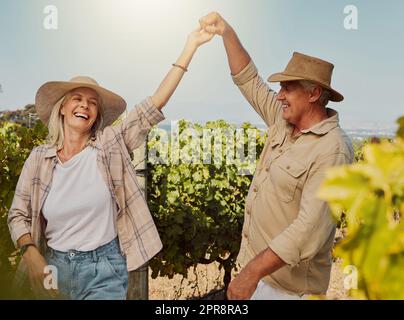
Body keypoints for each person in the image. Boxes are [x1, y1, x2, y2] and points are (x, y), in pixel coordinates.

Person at [7, 27, 214, 300]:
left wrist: (191, 46)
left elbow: (153, 105)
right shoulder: (39, 158)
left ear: (96, 115)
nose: (85, 106)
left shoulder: (109, 144)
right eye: (77, 99)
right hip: (53, 270)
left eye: (92, 103)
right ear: (63, 108)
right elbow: (17, 215)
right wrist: (30, 252)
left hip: (103, 270)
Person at [199, 12, 354, 300]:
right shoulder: (283, 121)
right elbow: (249, 80)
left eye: (287, 88)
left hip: (289, 293)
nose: (279, 95)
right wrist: (226, 32)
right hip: (258, 280)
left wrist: (251, 273)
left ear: (313, 94)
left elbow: (309, 230)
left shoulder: (333, 149)